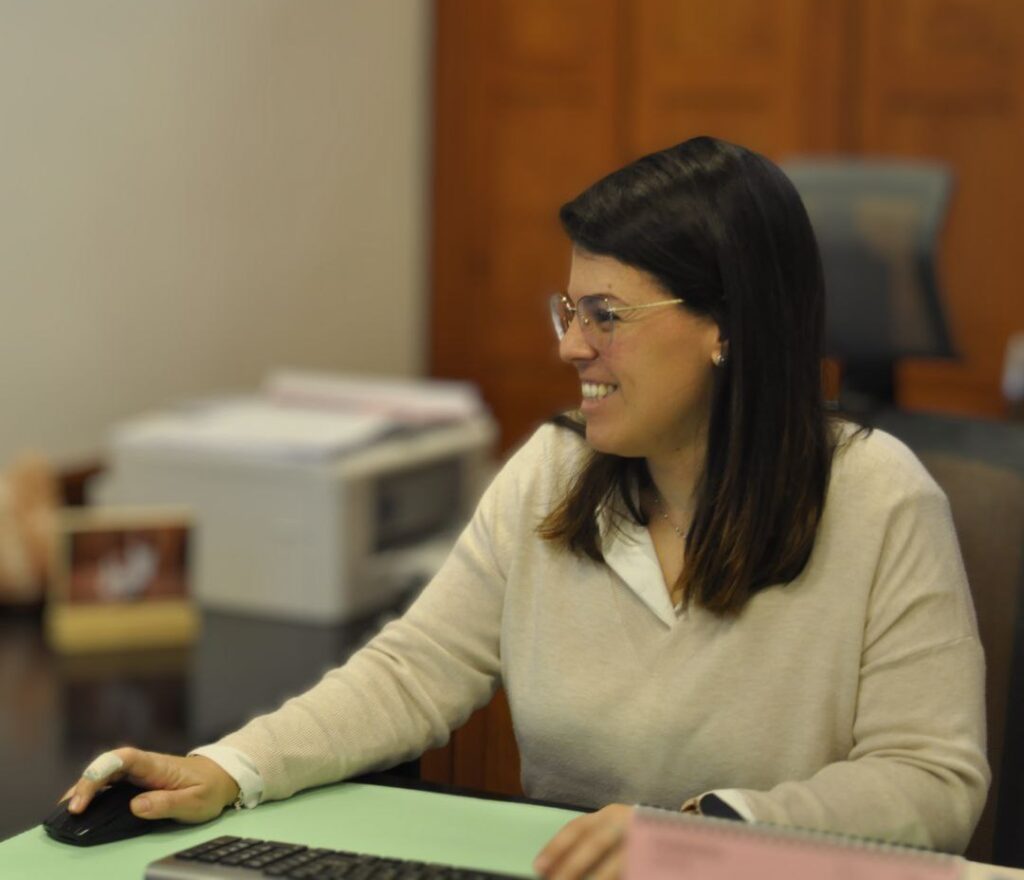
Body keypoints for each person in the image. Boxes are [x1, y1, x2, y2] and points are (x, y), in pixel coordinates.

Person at [63, 137, 988, 878]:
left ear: (725, 327)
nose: (571, 349)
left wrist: (708, 838)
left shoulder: (880, 498)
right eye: (568, 311)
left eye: (606, 316)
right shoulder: (554, 470)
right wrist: (232, 767)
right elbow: (415, 671)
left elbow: (932, 781)